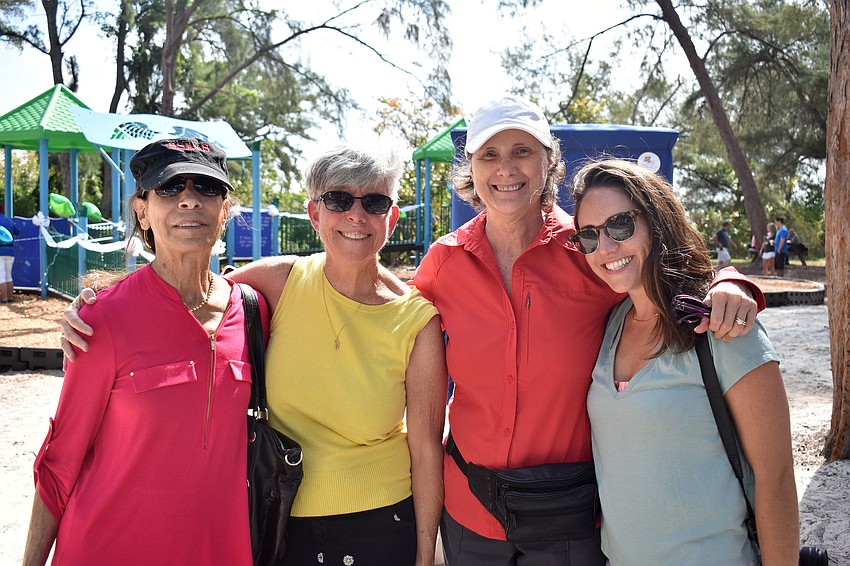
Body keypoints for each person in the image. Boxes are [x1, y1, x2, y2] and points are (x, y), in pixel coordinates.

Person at [411, 95, 764, 565]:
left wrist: (729, 282)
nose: (506, 168)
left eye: (522, 151)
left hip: (569, 517)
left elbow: (666, 270)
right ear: (471, 170)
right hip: (470, 512)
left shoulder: (590, 250)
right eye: (489, 155)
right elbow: (391, 316)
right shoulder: (444, 261)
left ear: (548, 162)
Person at [60, 145, 448, 566]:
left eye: (374, 202)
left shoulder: (417, 322)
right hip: (276, 519)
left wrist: (425, 553)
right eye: (338, 200)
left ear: (392, 217)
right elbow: (187, 291)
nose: (356, 215)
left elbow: (426, 450)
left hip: (382, 522)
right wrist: (96, 302)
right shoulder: (277, 281)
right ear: (315, 213)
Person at [23, 138, 262, 565]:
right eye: (169, 188)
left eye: (206, 187)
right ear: (142, 211)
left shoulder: (255, 312)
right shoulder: (101, 320)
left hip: (219, 552)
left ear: (225, 210)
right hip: (106, 550)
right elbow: (59, 464)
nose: (189, 199)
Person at [571, 158, 799, 566]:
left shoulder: (722, 326)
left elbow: (776, 477)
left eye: (619, 225)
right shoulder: (611, 323)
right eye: (588, 236)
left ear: (657, 220)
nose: (604, 247)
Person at [0, 204, 19, 303]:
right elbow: (17, 232)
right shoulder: (9, 221)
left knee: (1, 275)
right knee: (8, 275)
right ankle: (10, 297)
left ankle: (4, 299)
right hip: (10, 251)